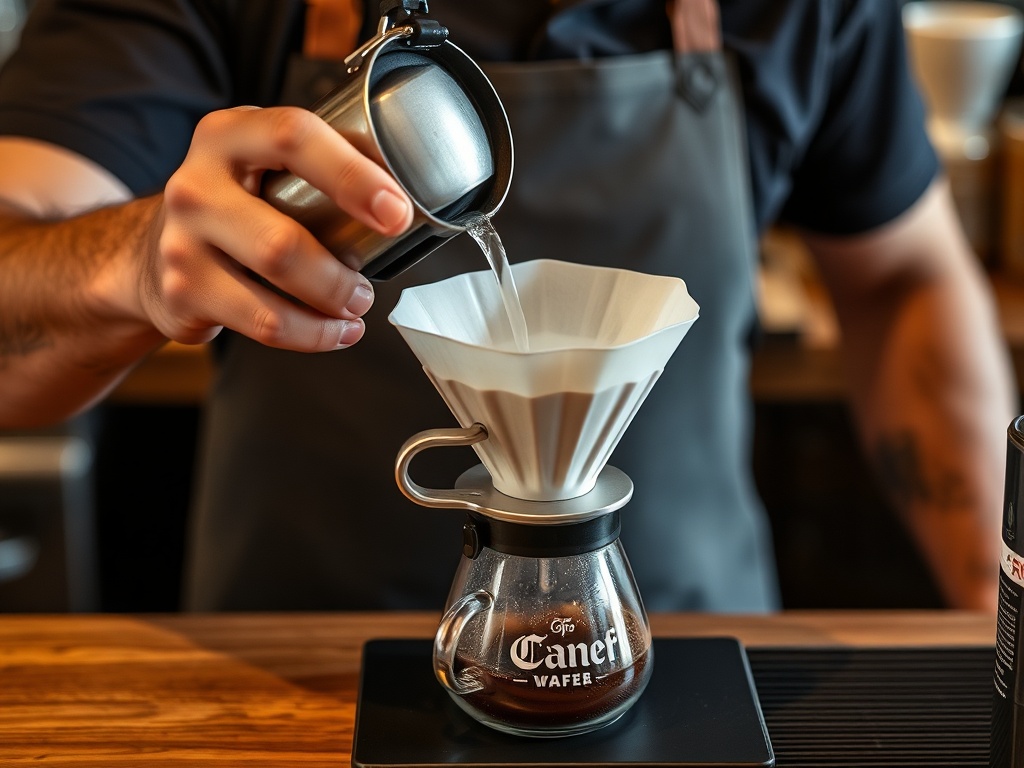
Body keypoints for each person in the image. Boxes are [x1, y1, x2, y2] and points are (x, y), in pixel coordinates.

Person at [0, 0, 1014, 612]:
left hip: (695, 637)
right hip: (298, 665)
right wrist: (133, 260)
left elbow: (901, 280)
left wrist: (993, 594)